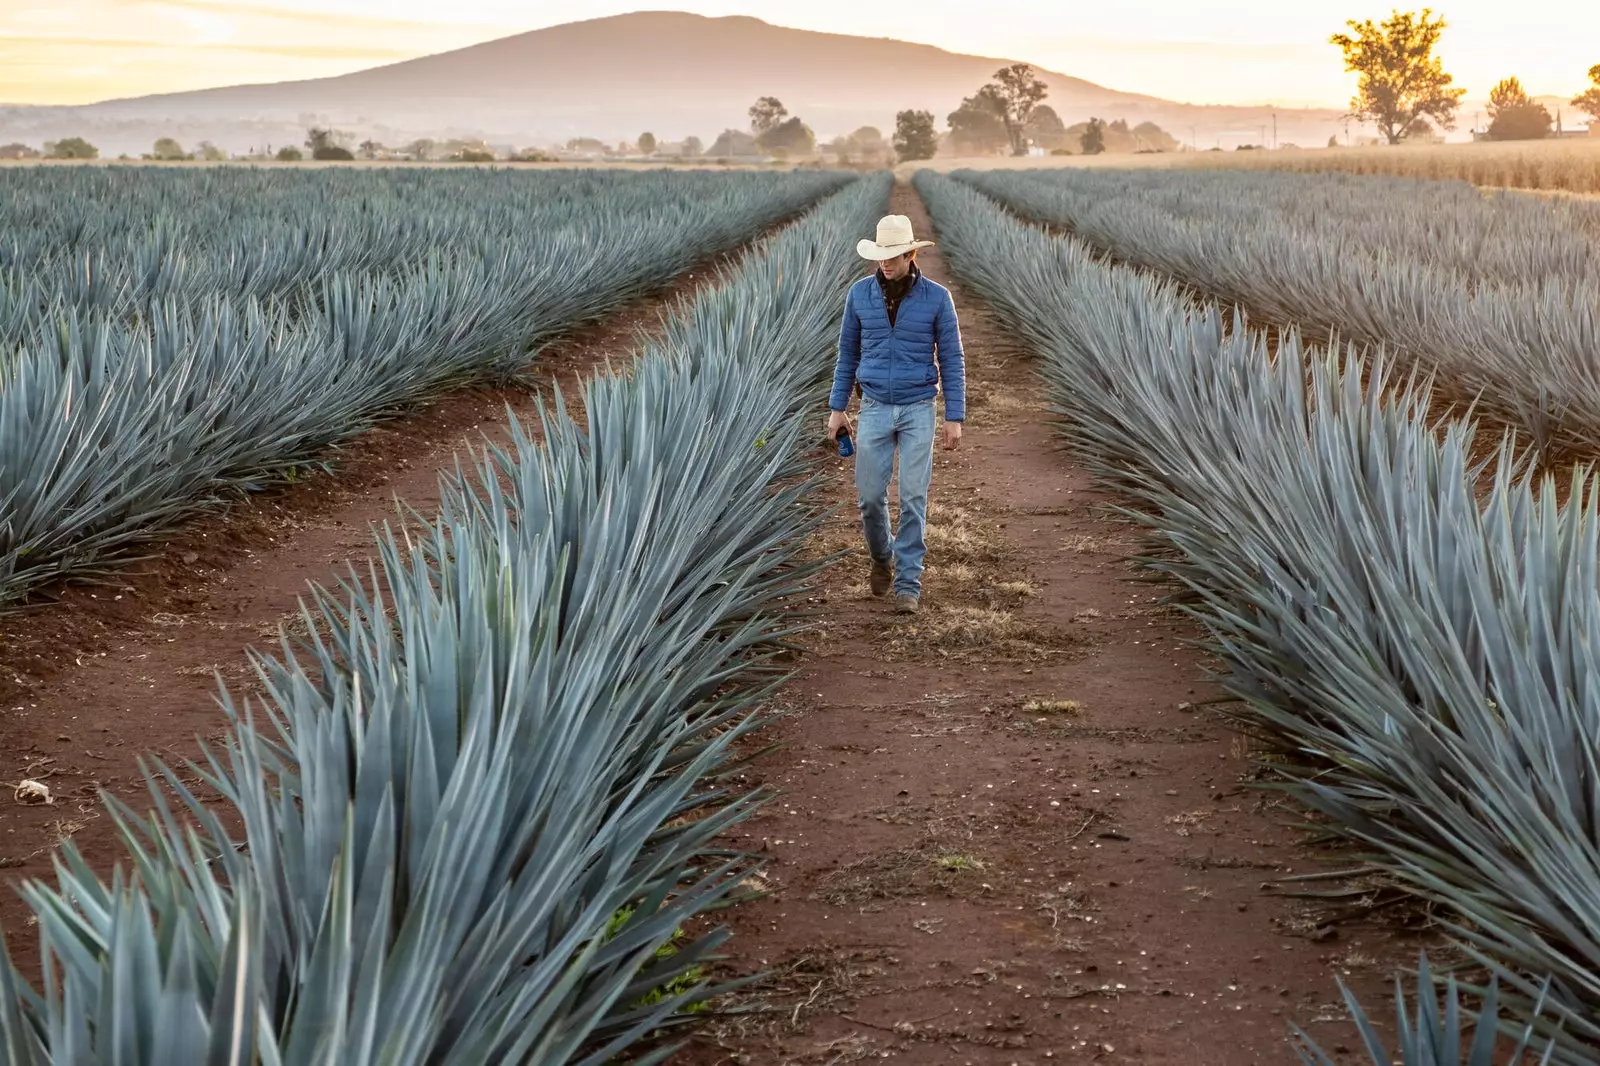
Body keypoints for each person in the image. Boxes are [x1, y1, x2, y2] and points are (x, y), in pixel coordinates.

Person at [826, 213, 966, 614]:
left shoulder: (937, 298)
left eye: (893, 256)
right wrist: (837, 409)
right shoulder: (859, 295)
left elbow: (952, 358)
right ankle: (881, 557)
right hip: (873, 407)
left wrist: (954, 416)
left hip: (918, 407)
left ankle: (908, 583)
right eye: (880, 256)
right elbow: (847, 355)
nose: (885, 264)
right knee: (870, 498)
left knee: (912, 498)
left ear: (911, 254)